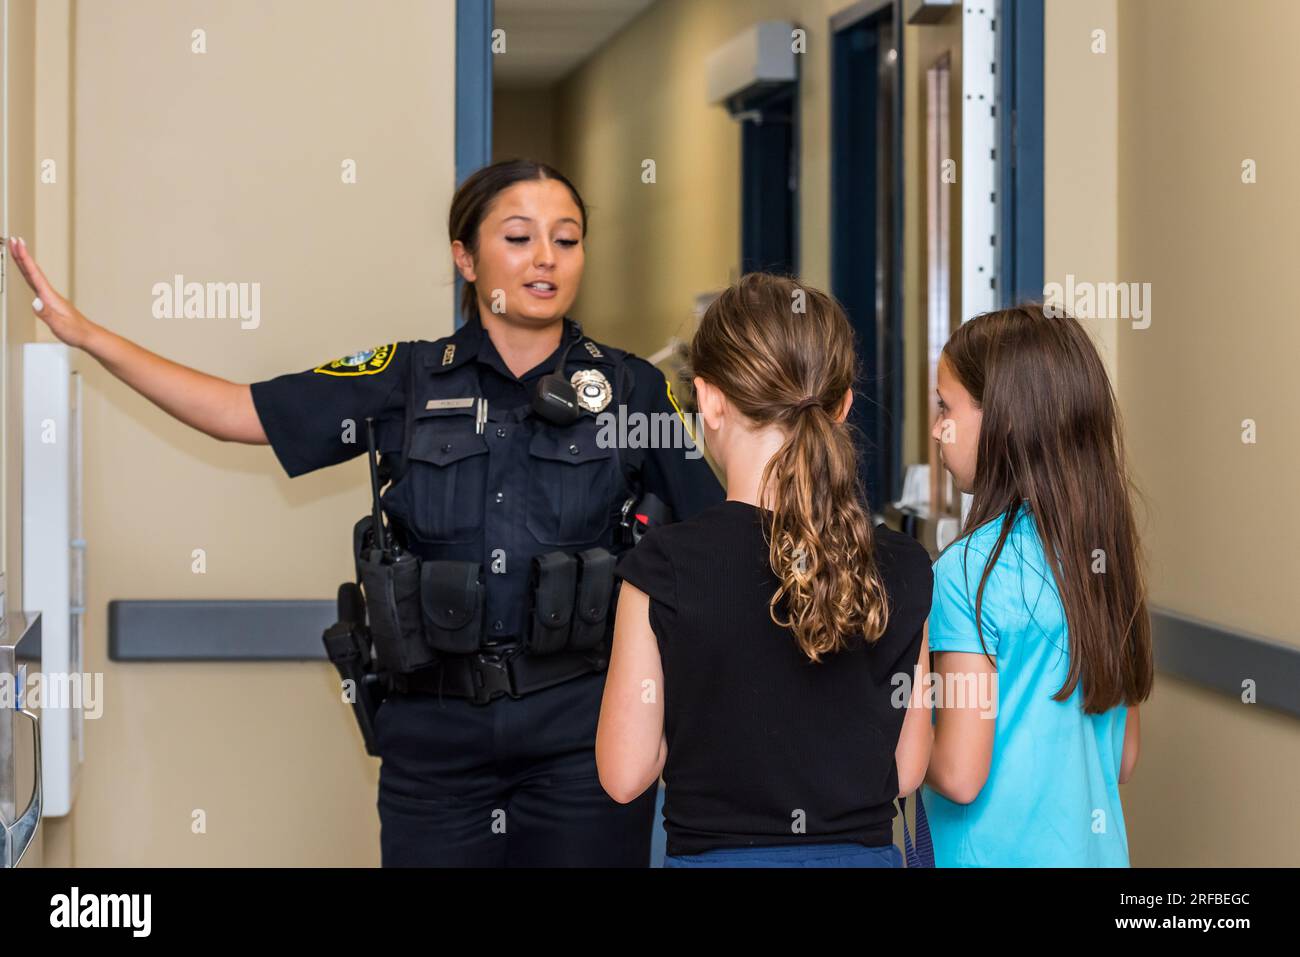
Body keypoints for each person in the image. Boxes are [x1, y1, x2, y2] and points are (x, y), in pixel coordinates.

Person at [6, 158, 724, 867]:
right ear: (464, 257)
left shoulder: (630, 389)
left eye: (566, 239)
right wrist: (89, 336)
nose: (545, 258)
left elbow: (716, 536)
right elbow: (236, 411)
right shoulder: (403, 376)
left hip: (581, 741)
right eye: (518, 237)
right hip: (436, 750)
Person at [595, 272, 934, 868]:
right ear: (843, 406)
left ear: (708, 400)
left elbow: (625, 775)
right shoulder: (903, 565)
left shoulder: (664, 566)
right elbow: (905, 772)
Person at [922, 303, 1152, 866]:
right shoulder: (1101, 558)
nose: (936, 429)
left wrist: (888, 735)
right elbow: (1123, 759)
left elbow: (958, 774)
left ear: (1004, 420)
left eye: (946, 408)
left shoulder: (965, 573)